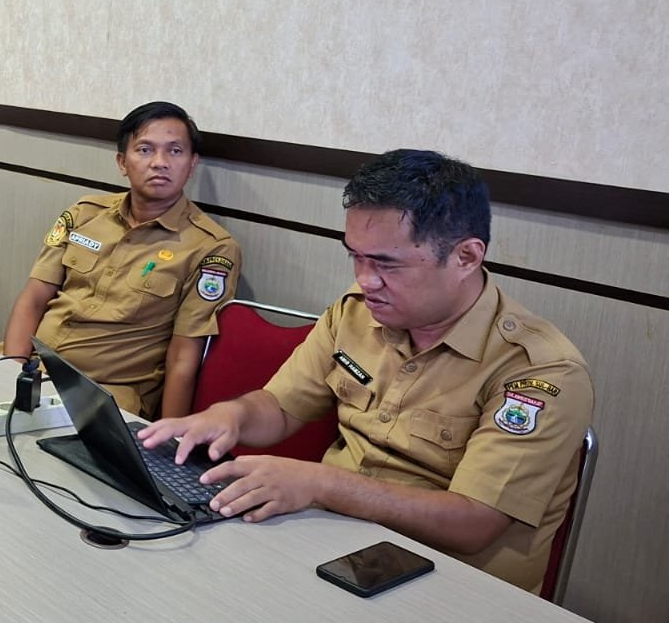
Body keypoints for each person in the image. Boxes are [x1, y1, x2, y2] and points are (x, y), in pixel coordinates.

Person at [139, 149, 594, 594]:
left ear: (466, 257)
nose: (365, 280)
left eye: (386, 263)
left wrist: (321, 484)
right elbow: (280, 408)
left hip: (449, 588)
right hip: (333, 549)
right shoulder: (356, 313)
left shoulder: (539, 371)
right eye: (355, 256)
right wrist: (230, 417)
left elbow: (473, 523)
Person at [3, 102, 241, 419]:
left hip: (103, 394)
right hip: (32, 367)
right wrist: (11, 373)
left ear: (192, 163)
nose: (160, 162)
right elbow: (33, 298)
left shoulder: (210, 247)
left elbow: (184, 356)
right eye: (145, 150)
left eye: (175, 151)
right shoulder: (85, 213)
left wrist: (168, 438)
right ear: (122, 162)